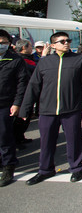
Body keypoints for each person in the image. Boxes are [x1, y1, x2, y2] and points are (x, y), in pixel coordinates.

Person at [20, 31, 82, 185]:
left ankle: (76, 168)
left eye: (68, 40)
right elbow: (33, 86)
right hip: (47, 109)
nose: (66, 43)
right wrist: (25, 108)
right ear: (53, 45)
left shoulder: (79, 60)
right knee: (46, 142)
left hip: (71, 108)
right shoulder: (44, 62)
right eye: (62, 41)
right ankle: (45, 170)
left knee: (74, 140)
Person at [0, 30, 29, 187]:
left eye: (3, 42)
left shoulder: (15, 60)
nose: (0, 45)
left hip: (5, 103)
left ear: (8, 43)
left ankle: (8, 165)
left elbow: (21, 83)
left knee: (4, 136)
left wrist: (17, 103)